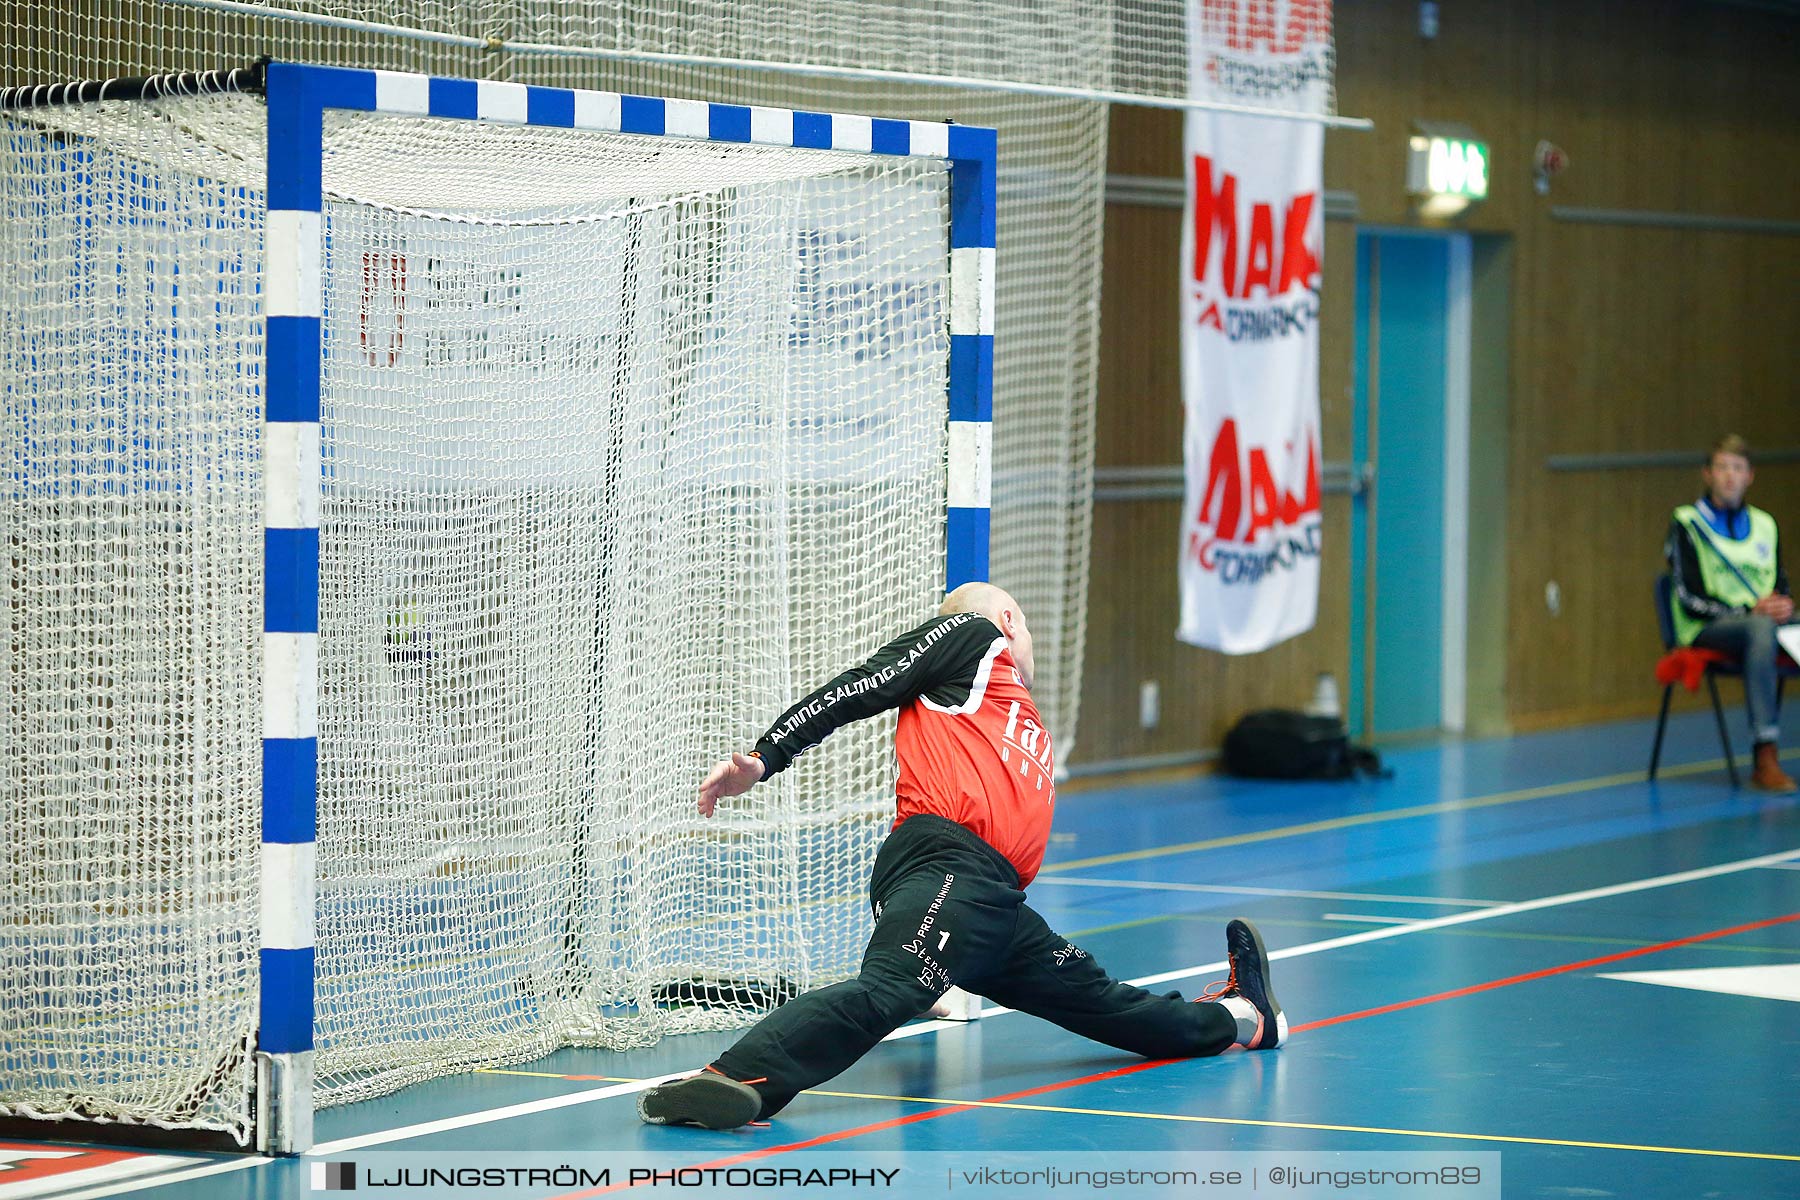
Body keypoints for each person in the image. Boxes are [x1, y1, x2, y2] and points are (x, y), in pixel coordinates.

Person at [637, 581, 1285, 1131]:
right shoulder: (976, 640)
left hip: (996, 906)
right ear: (1007, 620)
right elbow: (863, 685)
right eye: (1024, 623)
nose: (1026, 637)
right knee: (889, 988)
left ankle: (1245, 1017)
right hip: (945, 865)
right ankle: (734, 1080)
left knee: (1111, 1007)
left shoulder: (1014, 709)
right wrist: (765, 756)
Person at [1665, 435, 1796, 793]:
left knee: (1769, 626)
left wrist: (1782, 604)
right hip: (1707, 627)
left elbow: (1779, 584)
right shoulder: (1687, 523)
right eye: (1722, 467)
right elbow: (1687, 596)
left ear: (1750, 476)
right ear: (1707, 474)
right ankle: (1764, 754)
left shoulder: (1765, 525)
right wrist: (1748, 610)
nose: (1729, 476)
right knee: (1759, 629)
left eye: (1737, 468)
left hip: (1760, 622)